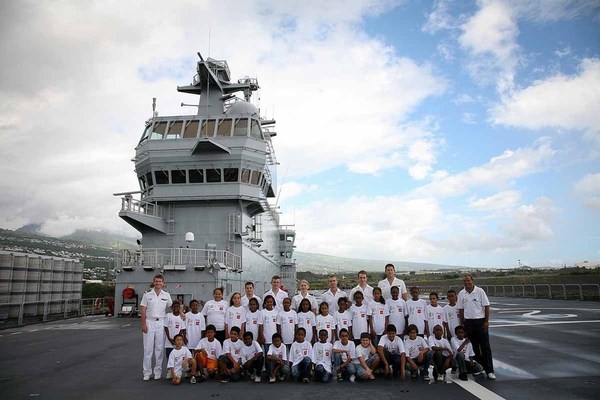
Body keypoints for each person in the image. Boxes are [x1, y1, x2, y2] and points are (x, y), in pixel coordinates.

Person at [457, 274, 495, 380]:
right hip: (468, 322)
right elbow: (461, 309)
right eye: (465, 281)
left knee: (485, 347)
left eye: (468, 280)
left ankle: (490, 370)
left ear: (472, 280)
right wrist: (462, 323)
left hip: (480, 321)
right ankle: (480, 368)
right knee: (474, 347)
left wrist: (486, 321)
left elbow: (486, 306)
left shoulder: (480, 291)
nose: (466, 282)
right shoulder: (461, 293)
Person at [140, 274, 173, 381]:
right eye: (156, 281)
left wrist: (181, 312)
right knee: (148, 349)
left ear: (163, 283)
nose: (158, 283)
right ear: (153, 282)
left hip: (161, 323)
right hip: (149, 322)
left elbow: (172, 306)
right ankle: (147, 372)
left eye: (160, 281)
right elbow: (143, 310)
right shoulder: (147, 295)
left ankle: (157, 372)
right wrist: (143, 324)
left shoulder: (166, 295)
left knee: (159, 349)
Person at [164, 301, 186, 379]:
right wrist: (169, 338)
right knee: (169, 356)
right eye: (174, 307)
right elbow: (165, 327)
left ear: (179, 308)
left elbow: (182, 329)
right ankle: (170, 371)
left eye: (177, 307)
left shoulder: (181, 317)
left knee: (177, 357)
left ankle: (177, 371)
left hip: (177, 342)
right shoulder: (168, 315)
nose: (176, 308)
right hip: (169, 341)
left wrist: (177, 339)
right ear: (171, 308)